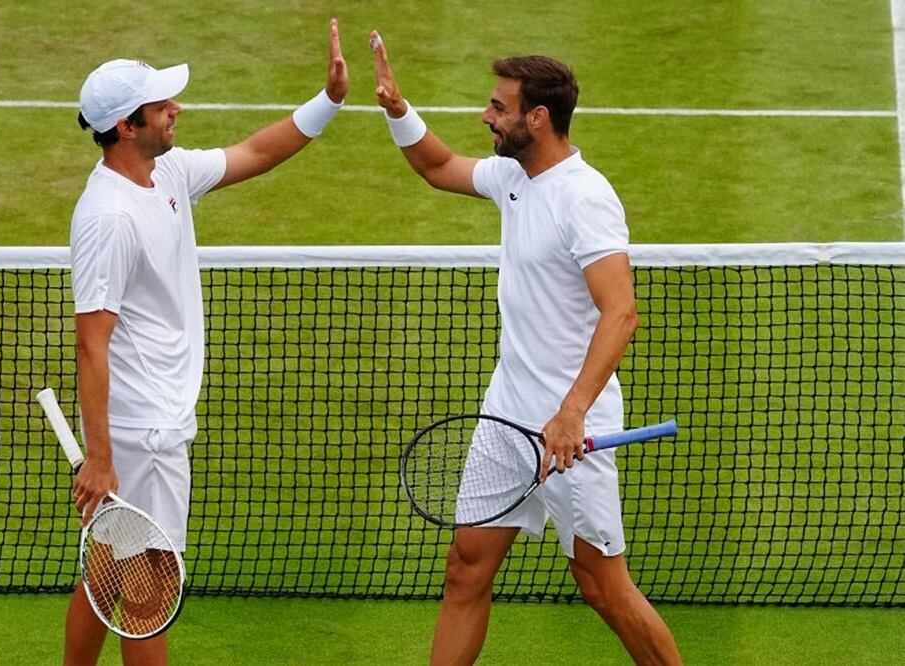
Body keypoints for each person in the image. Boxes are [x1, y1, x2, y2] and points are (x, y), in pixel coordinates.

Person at [370, 32, 683, 666]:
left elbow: (620, 314)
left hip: (573, 424)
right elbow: (437, 167)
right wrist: (397, 107)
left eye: (497, 107)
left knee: (601, 584)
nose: (486, 116)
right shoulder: (514, 176)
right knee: (465, 567)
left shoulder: (585, 197)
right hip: (507, 413)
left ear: (537, 118)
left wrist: (570, 414)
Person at [66, 19, 349, 666]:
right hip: (145, 432)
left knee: (108, 564)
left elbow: (256, 152)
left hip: (151, 424)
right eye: (162, 105)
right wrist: (103, 457)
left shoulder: (164, 174)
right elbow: (91, 345)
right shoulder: (108, 217)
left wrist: (328, 100)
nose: (177, 108)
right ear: (127, 127)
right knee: (149, 592)